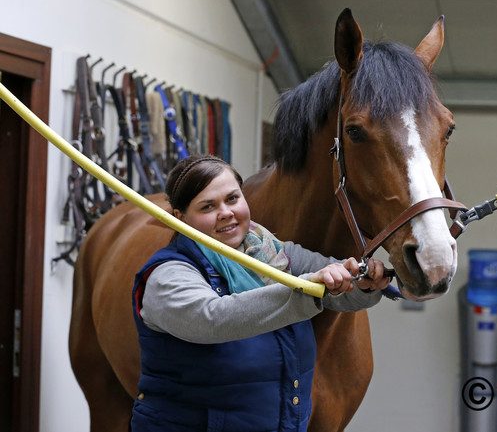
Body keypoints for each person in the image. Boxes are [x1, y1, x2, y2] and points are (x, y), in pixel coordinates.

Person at [130, 155, 390, 432]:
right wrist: (306, 290)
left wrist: (361, 283)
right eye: (208, 206)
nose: (226, 212)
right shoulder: (167, 275)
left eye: (232, 198)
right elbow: (213, 318)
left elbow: (337, 290)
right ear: (180, 219)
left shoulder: (275, 254)